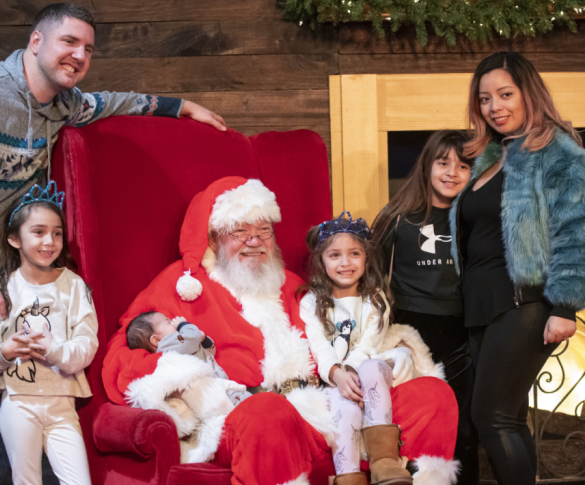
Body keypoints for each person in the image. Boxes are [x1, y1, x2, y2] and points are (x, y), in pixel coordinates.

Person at [0, 4, 225, 482]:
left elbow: (114, 101)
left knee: (0, 429)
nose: (79, 55)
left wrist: (182, 107)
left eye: (88, 49)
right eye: (68, 42)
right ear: (36, 42)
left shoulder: (63, 104)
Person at [103, 176, 461, 485]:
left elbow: (347, 331)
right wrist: (183, 374)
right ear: (213, 240)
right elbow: (125, 350)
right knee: (268, 411)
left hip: (320, 404)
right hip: (245, 414)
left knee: (431, 395)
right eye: (240, 231)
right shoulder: (180, 284)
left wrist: (383, 355)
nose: (255, 240)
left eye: (263, 231)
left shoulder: (293, 285)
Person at [450, 51, 585, 485]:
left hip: (525, 303)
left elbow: (581, 232)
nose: (494, 106)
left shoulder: (560, 154)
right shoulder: (492, 156)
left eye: (505, 94)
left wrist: (566, 307)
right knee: (508, 418)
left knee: (491, 416)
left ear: (529, 93)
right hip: (485, 305)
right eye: (484, 98)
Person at [300, 211, 458, 485]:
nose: (345, 263)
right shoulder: (311, 301)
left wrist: (349, 370)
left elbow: (368, 346)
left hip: (371, 369)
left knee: (371, 367)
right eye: (335, 255)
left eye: (354, 254)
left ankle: (384, 462)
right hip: (335, 379)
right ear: (321, 260)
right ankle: (348, 476)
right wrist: (338, 374)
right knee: (344, 406)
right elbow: (319, 346)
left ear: (366, 258)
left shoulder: (375, 299)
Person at [0, 181, 98, 485]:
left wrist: (53, 350)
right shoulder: (4, 287)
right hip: (18, 402)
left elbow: (87, 344)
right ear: (15, 239)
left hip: (63, 404)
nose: (50, 241)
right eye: (39, 232)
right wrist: (5, 351)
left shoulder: (74, 285)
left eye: (57, 233)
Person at [372, 130, 478, 484]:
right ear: (427, 166)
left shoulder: (474, 220)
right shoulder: (397, 217)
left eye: (463, 166)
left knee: (463, 428)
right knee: (416, 423)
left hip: (463, 333)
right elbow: (372, 277)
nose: (452, 172)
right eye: (443, 162)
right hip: (410, 333)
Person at [125, 312, 251, 436]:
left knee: (244, 412)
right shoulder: (168, 346)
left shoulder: (184, 345)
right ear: (157, 340)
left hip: (219, 389)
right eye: (168, 322)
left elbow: (210, 351)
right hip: (214, 392)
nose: (173, 323)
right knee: (250, 408)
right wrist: (182, 324)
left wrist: (203, 340)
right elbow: (191, 338)